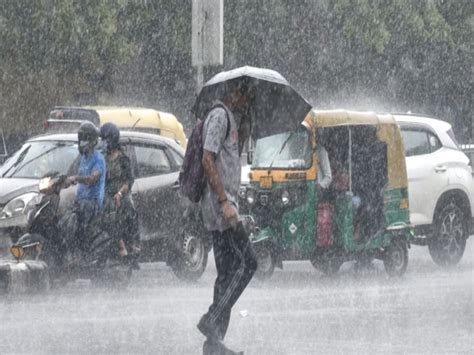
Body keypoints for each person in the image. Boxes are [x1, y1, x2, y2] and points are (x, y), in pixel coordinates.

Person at [197, 81, 258, 355]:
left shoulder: (232, 120)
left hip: (226, 206)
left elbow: (228, 160)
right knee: (248, 264)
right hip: (221, 208)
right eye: (246, 95)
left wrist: (244, 129)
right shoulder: (220, 115)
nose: (248, 101)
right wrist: (224, 202)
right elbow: (207, 159)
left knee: (226, 274)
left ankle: (214, 344)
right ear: (234, 92)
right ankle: (212, 321)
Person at [63, 121, 106, 255]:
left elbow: (93, 178)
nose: (82, 141)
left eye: (85, 138)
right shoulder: (83, 158)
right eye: (81, 138)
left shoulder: (98, 158)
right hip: (80, 200)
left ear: (93, 140)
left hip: (92, 202)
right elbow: (71, 173)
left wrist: (76, 178)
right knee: (64, 220)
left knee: (78, 225)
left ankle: (83, 253)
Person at [99, 123, 140, 258]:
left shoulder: (123, 159)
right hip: (105, 194)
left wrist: (120, 193)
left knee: (130, 210)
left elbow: (129, 180)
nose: (103, 143)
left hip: (121, 194)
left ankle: (132, 243)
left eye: (105, 140)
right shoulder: (102, 158)